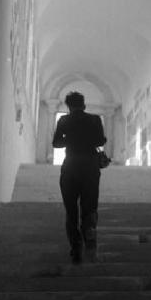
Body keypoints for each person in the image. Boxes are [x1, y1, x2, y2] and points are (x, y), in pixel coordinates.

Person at [52, 91, 106, 263]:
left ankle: (75, 248)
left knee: (71, 210)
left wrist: (71, 138)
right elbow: (100, 141)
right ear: (83, 104)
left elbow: (56, 143)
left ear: (68, 106)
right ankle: (90, 242)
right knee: (89, 207)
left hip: (71, 166)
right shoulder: (95, 119)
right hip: (90, 166)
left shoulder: (64, 120)